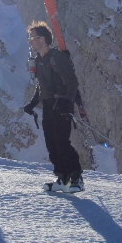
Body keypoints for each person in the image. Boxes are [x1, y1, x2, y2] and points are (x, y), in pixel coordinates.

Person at [23, 21, 84, 193]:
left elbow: (73, 82)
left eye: (32, 38)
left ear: (42, 38)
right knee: (51, 144)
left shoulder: (57, 57)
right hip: (49, 106)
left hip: (62, 104)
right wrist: (33, 103)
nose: (30, 41)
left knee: (62, 142)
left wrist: (67, 103)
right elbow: (40, 87)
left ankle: (77, 177)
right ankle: (62, 178)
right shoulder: (38, 60)